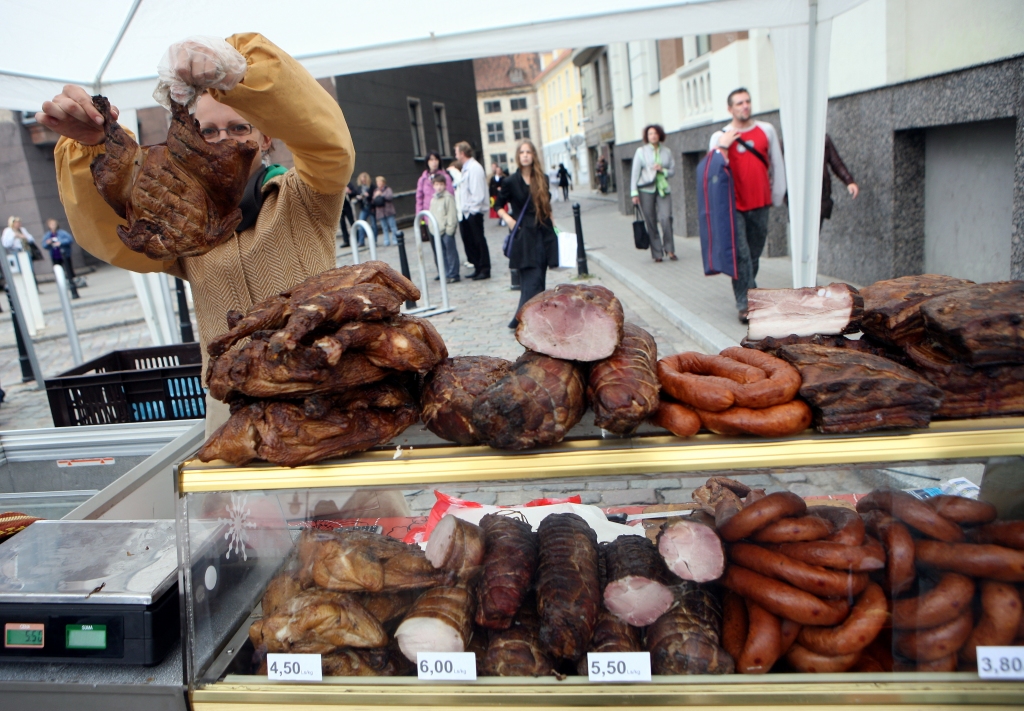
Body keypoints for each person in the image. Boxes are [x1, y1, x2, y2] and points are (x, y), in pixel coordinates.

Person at [39, 33, 354, 435]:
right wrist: (95, 146)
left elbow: (327, 143)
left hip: (328, 399)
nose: (225, 141)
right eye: (209, 132)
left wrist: (242, 76)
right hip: (236, 416)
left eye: (240, 127)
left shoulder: (305, 195)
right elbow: (112, 235)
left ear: (267, 136)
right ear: (189, 142)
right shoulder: (178, 223)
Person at [709, 88, 786, 322]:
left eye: (747, 101)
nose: (745, 106)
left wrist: (778, 194)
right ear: (730, 108)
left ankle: (749, 294)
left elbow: (777, 164)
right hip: (733, 206)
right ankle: (746, 303)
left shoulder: (766, 130)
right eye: (739, 103)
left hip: (760, 202)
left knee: (753, 254)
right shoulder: (718, 136)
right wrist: (722, 146)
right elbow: (712, 174)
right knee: (740, 255)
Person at [497, 140, 558, 330]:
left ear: (533, 156)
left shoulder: (542, 179)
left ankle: (528, 318)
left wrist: (554, 226)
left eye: (528, 152)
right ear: (518, 156)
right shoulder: (510, 181)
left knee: (539, 277)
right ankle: (525, 318)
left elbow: (547, 207)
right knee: (530, 280)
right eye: (522, 152)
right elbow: (497, 205)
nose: (525, 155)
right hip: (524, 236)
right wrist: (508, 219)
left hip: (542, 233)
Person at [630, 124, 677, 263]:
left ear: (660, 135)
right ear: (647, 136)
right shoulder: (641, 151)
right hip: (646, 189)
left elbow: (673, 170)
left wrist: (663, 169)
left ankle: (670, 249)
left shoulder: (666, 151)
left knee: (666, 218)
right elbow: (635, 173)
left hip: (663, 188)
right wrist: (634, 193)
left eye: (655, 133)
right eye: (650, 134)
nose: (653, 136)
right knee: (651, 221)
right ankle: (657, 253)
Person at [454, 141, 491, 280]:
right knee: (470, 241)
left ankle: (484, 268)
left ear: (462, 153)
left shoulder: (474, 168)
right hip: (466, 212)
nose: (455, 155)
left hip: (473, 212)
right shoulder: (466, 168)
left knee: (478, 240)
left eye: (456, 152)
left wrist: (472, 210)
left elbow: (477, 192)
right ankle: (477, 267)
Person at [821, 134, 859, 229]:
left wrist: (848, 180)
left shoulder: (823, 139)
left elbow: (836, 163)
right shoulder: (790, 139)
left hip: (821, 195)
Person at [429, 173, 460, 283]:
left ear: (445, 185)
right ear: (433, 185)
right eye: (437, 184)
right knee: (441, 253)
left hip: (447, 231)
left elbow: (451, 214)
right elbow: (432, 214)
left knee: (451, 253)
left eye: (441, 184)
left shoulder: (448, 198)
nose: (439, 187)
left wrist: (450, 229)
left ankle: (454, 273)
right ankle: (446, 273)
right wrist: (432, 228)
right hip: (437, 231)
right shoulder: (433, 199)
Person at [415, 150, 453, 238]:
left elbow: (450, 196)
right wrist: (420, 216)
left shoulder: (445, 177)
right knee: (435, 247)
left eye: (436, 159)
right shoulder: (423, 179)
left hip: (443, 218)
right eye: (431, 160)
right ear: (427, 162)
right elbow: (419, 198)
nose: (434, 162)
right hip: (429, 217)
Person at [42, 218, 79, 298]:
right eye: (51, 224)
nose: (53, 226)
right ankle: (62, 284)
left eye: (54, 224)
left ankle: (72, 284)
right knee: (58, 270)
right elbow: (44, 245)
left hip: (64, 254)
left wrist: (60, 242)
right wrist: (48, 243)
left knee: (69, 269)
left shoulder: (62, 233)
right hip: (55, 255)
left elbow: (69, 239)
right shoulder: (48, 235)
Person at [352, 172, 377, 246]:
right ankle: (361, 241)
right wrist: (359, 197)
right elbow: (357, 195)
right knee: (361, 224)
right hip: (364, 207)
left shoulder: (372, 186)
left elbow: (374, 197)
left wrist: (368, 196)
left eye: (364, 180)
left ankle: (374, 241)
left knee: (374, 225)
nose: (363, 181)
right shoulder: (360, 187)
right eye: (362, 180)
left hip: (371, 207)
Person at [372, 176, 397, 247]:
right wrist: (376, 196)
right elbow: (373, 201)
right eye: (377, 182)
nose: (379, 183)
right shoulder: (375, 191)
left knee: (392, 226)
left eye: (380, 181)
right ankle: (386, 240)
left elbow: (390, 197)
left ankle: (395, 239)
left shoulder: (388, 189)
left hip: (388, 211)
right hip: (380, 212)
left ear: (383, 182)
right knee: (384, 227)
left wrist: (382, 195)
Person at [339, 182, 355, 247]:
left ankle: (358, 239)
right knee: (342, 225)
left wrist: (349, 191)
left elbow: (355, 192)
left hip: (346, 205)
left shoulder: (347, 182)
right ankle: (346, 241)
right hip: (339, 207)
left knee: (352, 222)